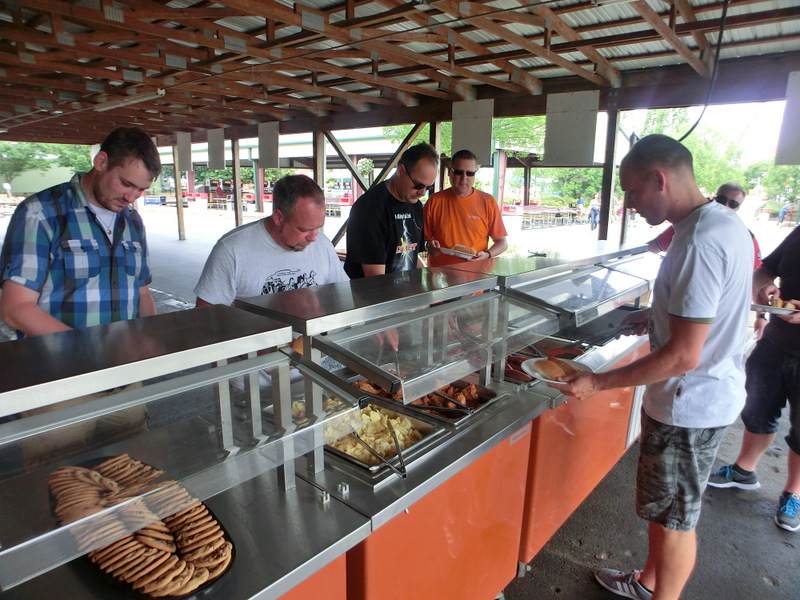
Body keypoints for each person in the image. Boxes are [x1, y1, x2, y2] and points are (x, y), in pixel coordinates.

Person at [554, 135, 753, 600]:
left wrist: (597, 382)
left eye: (632, 190)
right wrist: (655, 315)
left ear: (659, 179)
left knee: (676, 522)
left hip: (690, 405)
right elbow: (707, 310)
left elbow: (684, 355)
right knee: (664, 512)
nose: (629, 202)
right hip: (697, 397)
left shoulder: (700, 241)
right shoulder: (720, 222)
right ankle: (647, 582)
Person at [0, 126, 161, 466]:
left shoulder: (132, 221)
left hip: (123, 378)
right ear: (101, 162)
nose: (132, 197)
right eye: (126, 184)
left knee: (131, 472)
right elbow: (15, 308)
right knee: (61, 478)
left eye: (141, 189)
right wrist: (88, 353)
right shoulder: (42, 212)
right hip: (59, 382)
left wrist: (150, 341)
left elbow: (142, 292)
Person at [706, 226, 800, 532]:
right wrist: (764, 286)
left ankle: (793, 493)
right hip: (774, 342)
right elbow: (764, 270)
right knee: (757, 411)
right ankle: (744, 470)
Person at [194, 174, 347, 306]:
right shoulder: (232, 250)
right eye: (303, 230)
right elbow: (207, 315)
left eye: (318, 227)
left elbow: (343, 295)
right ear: (278, 217)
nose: (313, 238)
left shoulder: (323, 244)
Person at [648, 182, 767, 338]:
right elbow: (651, 248)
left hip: (717, 328)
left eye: (733, 203)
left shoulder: (746, 236)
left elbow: (755, 277)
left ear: (738, 208)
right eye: (722, 199)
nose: (726, 205)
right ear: (714, 198)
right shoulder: (688, 226)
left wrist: (761, 316)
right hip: (681, 316)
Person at [343, 142, 438, 279]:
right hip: (374, 291)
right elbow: (375, 278)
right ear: (401, 171)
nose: (422, 193)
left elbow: (411, 256)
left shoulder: (416, 205)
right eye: (418, 185)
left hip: (404, 289)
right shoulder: (371, 208)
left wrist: (428, 280)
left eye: (429, 187)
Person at [423, 149, 508, 267]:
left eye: (469, 173)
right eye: (458, 172)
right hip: (440, 272)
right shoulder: (435, 201)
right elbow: (423, 240)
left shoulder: (487, 202)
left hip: (476, 272)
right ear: (449, 172)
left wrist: (487, 254)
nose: (464, 178)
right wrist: (429, 245)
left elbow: (502, 242)